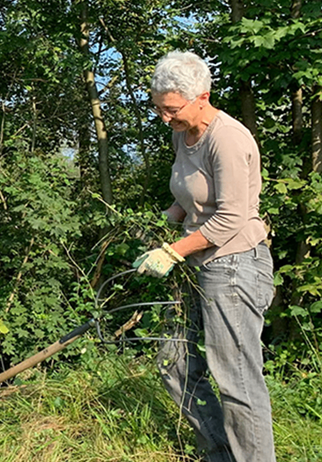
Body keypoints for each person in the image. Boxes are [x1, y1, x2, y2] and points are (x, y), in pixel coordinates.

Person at [133, 51, 274, 462]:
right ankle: (221, 454)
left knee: (238, 380)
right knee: (173, 362)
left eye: (171, 109)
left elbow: (230, 215)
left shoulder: (228, 138)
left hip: (233, 265)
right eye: (159, 108)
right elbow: (190, 196)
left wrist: (172, 251)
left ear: (202, 97)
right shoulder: (182, 132)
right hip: (195, 261)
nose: (165, 118)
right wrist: (164, 223)